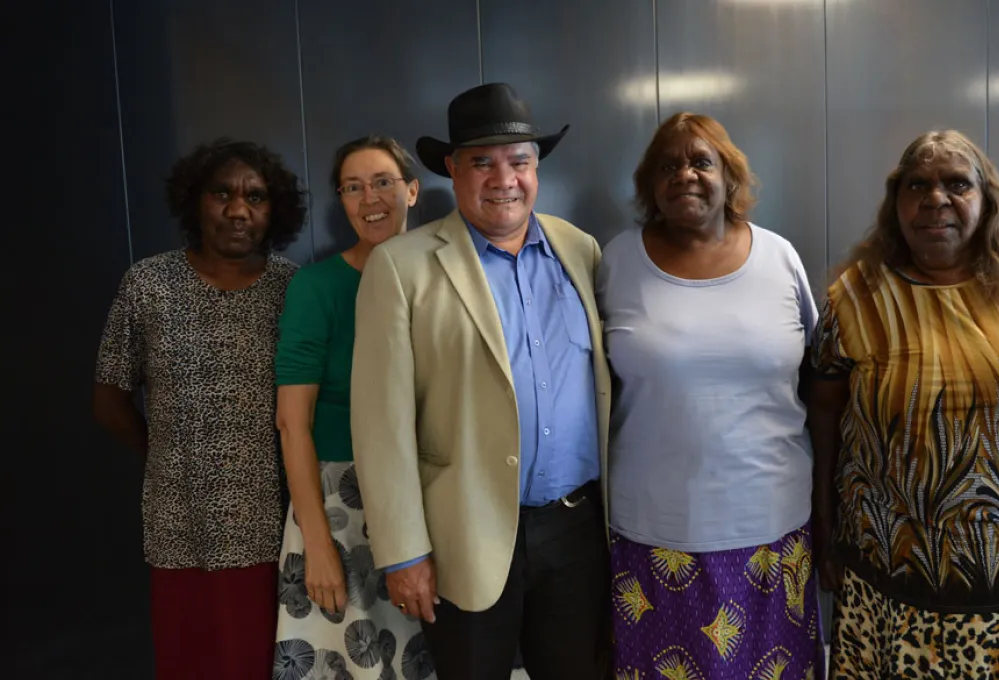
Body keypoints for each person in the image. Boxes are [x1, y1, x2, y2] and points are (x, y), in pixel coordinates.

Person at [809, 130, 999, 678]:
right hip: (891, 587)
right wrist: (824, 527)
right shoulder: (855, 297)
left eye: (957, 184)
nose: (936, 199)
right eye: (918, 185)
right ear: (896, 202)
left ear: (987, 199)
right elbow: (825, 414)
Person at [350, 83, 611, 680]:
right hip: (462, 533)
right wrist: (404, 552)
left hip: (575, 532)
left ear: (536, 168)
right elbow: (380, 425)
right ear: (452, 168)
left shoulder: (580, 250)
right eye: (482, 162)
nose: (504, 178)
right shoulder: (402, 266)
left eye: (518, 162)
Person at [596, 112, 826, 679]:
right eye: (668, 165)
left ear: (730, 176)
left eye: (702, 161)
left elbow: (819, 384)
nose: (686, 175)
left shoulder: (779, 258)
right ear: (651, 184)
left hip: (771, 527)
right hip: (655, 532)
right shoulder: (614, 263)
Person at [93, 139, 306, 679]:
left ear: (273, 209)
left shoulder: (293, 288)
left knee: (266, 660)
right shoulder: (147, 285)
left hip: (273, 522)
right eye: (222, 194)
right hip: (177, 520)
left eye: (255, 196)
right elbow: (109, 398)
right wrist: (166, 455)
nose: (239, 210)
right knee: (190, 659)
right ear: (195, 202)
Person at [271, 136, 433, 680]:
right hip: (341, 506)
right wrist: (317, 542)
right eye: (354, 187)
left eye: (384, 181)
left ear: (412, 190)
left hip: (434, 498)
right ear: (341, 201)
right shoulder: (317, 288)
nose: (371, 198)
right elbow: (292, 423)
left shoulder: (445, 276)